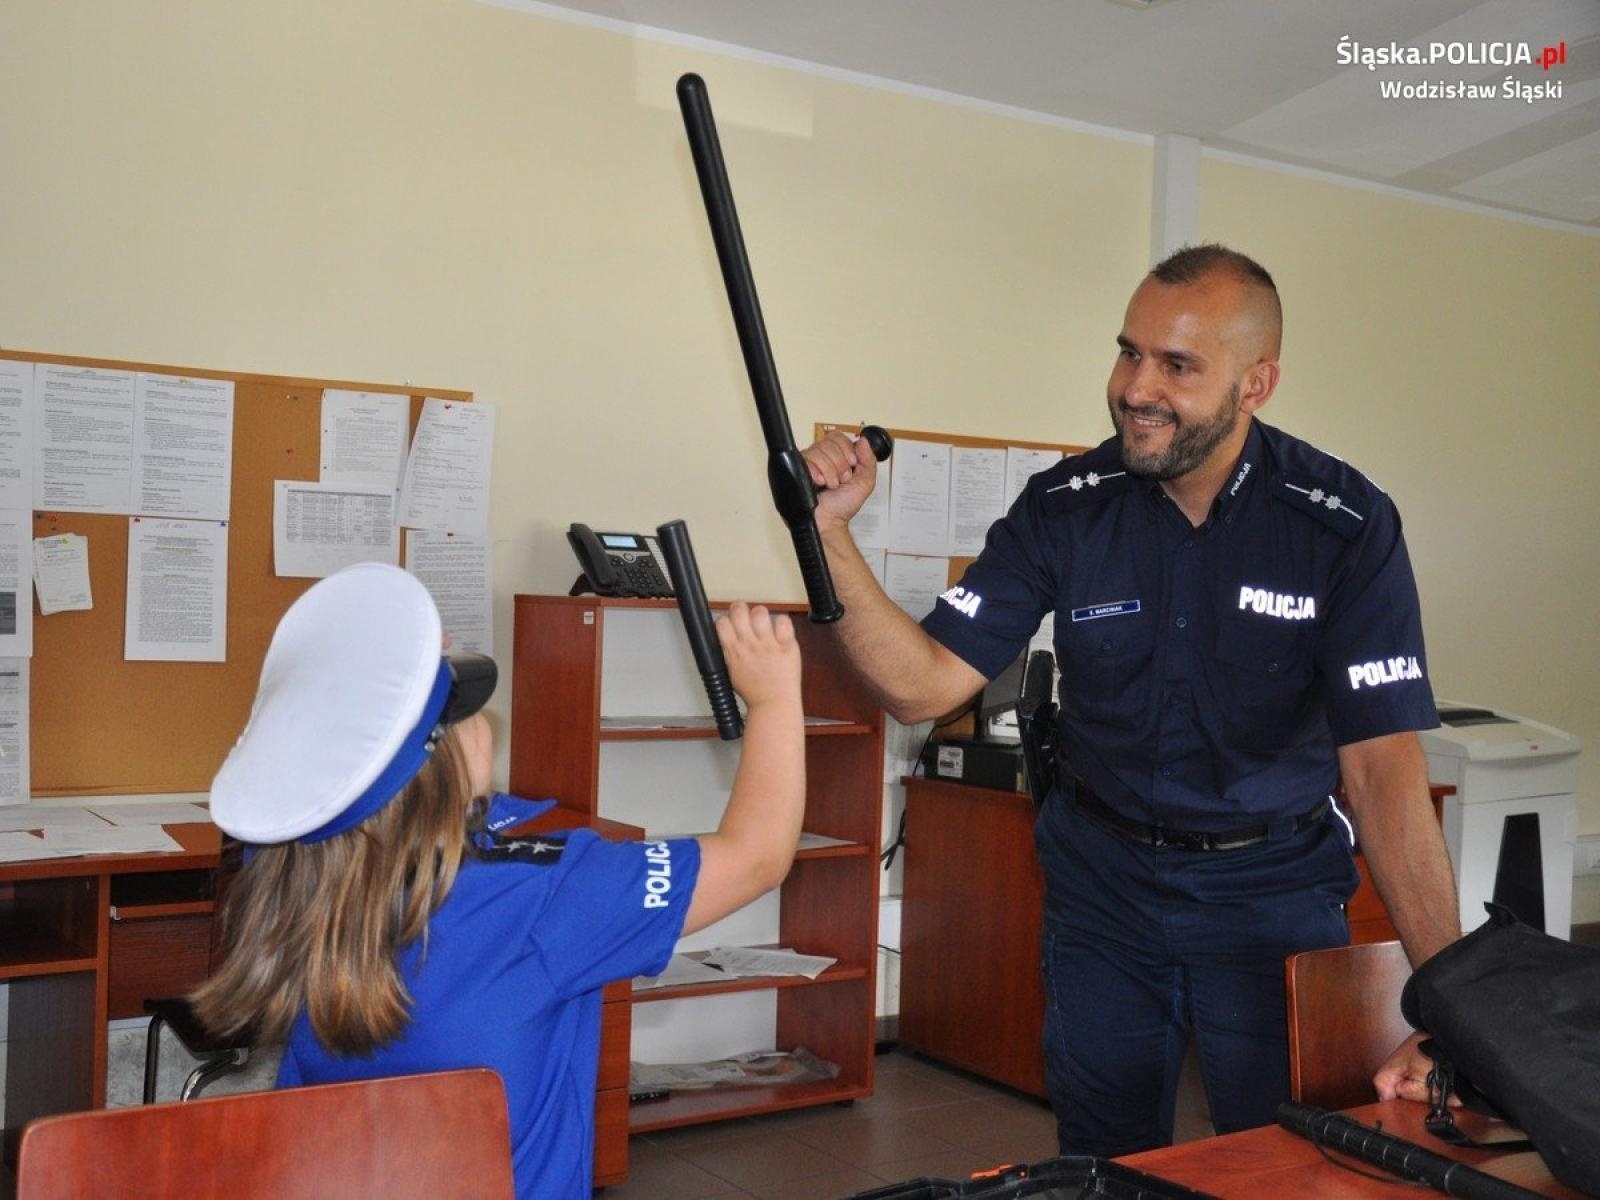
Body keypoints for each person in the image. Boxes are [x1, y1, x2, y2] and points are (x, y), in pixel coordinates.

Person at [801, 244, 1460, 1156]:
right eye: (1129, 352)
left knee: (1284, 1156)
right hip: (1102, 889)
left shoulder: (1342, 523)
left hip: (1269, 893)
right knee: (1104, 1157)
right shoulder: (1065, 507)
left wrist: (1452, 1009)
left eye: (1178, 365)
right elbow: (922, 686)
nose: (1135, 388)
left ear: (1256, 383)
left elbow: (1383, 768)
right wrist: (828, 534)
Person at [192, 561, 805, 1199]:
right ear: (438, 770)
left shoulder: (290, 876)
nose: (484, 715)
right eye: (461, 707)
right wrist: (772, 700)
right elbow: (757, 856)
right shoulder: (545, 896)